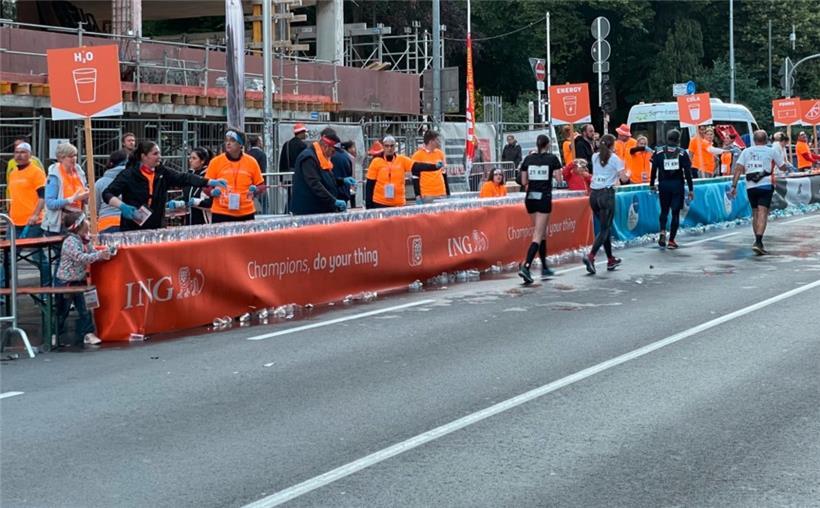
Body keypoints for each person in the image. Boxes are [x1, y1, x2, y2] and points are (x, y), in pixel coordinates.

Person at [103, 140, 226, 231]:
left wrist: (208, 181)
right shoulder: (128, 174)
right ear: (144, 156)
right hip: (132, 229)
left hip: (156, 228)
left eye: (159, 153)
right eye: (155, 154)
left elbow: (183, 177)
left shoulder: (162, 172)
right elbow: (107, 193)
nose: (159, 157)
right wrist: (122, 206)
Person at [54, 211, 115, 347]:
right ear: (79, 226)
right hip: (66, 281)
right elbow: (81, 257)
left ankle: (88, 333)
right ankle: (54, 333)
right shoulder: (70, 242)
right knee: (62, 311)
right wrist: (99, 255)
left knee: (85, 308)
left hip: (80, 279)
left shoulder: (85, 240)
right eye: (85, 220)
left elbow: (92, 253)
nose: (88, 222)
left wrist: (105, 253)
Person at [729, 129, 791, 255]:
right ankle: (758, 241)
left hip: (750, 186)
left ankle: (757, 240)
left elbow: (738, 169)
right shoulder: (771, 151)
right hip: (765, 185)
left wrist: (733, 186)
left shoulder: (746, 151)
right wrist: (786, 167)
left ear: (754, 140)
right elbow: (782, 167)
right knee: (763, 212)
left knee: (755, 212)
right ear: (766, 140)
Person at [517, 134, 563, 284]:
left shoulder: (528, 159)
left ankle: (544, 267)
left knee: (541, 233)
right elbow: (559, 179)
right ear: (547, 145)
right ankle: (526, 266)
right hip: (544, 198)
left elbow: (523, 181)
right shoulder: (552, 159)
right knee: (538, 234)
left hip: (530, 198)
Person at [582, 134, 629, 274]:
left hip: (594, 195)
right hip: (606, 195)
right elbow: (624, 179)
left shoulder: (594, 156)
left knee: (605, 228)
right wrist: (628, 173)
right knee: (604, 229)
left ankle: (610, 259)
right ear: (612, 145)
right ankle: (591, 256)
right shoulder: (615, 159)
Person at [6, 141, 50, 285]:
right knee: (8, 257)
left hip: (32, 223)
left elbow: (43, 196)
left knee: (38, 257)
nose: (19, 155)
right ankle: (4, 289)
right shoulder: (13, 173)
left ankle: (46, 287)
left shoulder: (36, 172)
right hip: (13, 223)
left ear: (30, 155)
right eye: (17, 152)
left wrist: (36, 214)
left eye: (23, 152)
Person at [365, 135, 442, 209]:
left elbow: (417, 166)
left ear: (395, 147)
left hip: (399, 204)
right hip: (380, 203)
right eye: (387, 146)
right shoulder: (376, 162)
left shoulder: (402, 160)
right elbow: (369, 185)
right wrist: (369, 206)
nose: (389, 148)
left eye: (392, 146)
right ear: (383, 147)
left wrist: (434, 166)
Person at [205, 129, 265, 223]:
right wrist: (211, 192)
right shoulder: (215, 162)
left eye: (232, 140)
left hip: (246, 212)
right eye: (226, 140)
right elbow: (205, 185)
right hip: (221, 212)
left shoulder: (251, 162)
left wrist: (255, 190)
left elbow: (261, 185)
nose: (228, 143)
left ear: (241, 144)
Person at [650, 129, 694, 250]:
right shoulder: (682, 153)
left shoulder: (658, 151)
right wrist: (691, 189)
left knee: (664, 210)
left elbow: (653, 169)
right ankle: (671, 240)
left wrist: (652, 184)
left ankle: (662, 231)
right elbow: (688, 172)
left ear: (667, 138)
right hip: (677, 185)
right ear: (678, 140)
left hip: (663, 184)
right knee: (675, 212)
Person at [290, 127, 349, 215]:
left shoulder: (320, 158)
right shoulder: (308, 158)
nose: (333, 155)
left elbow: (327, 180)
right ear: (325, 147)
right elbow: (314, 184)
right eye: (332, 151)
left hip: (318, 209)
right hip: (308, 211)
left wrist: (342, 181)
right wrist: (333, 201)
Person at [43, 143, 89, 235]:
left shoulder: (79, 173)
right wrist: (72, 199)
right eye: (70, 156)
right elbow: (50, 203)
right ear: (60, 158)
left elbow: (83, 197)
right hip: (61, 224)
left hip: (79, 220)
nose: (74, 158)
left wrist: (87, 196)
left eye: (75, 155)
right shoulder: (54, 176)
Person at [95, 150, 128, 234]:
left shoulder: (100, 183)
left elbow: (94, 208)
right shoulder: (133, 180)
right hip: (129, 223)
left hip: (105, 224)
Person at [411, 130, 449, 202]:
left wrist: (447, 192)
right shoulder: (417, 155)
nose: (439, 142)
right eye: (437, 140)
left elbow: (444, 173)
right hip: (427, 194)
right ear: (431, 141)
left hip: (441, 193)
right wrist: (417, 195)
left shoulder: (440, 153)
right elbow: (415, 177)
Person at [183, 147, 214, 225]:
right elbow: (187, 196)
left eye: (194, 158)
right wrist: (179, 202)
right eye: (190, 158)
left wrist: (197, 202)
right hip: (189, 222)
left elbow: (212, 203)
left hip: (204, 222)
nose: (190, 160)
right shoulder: (189, 175)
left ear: (202, 161)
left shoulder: (208, 177)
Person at [331, 140, 356, 208]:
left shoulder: (331, 156)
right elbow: (350, 174)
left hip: (333, 193)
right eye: (353, 147)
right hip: (344, 191)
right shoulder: (347, 157)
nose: (354, 149)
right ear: (348, 148)